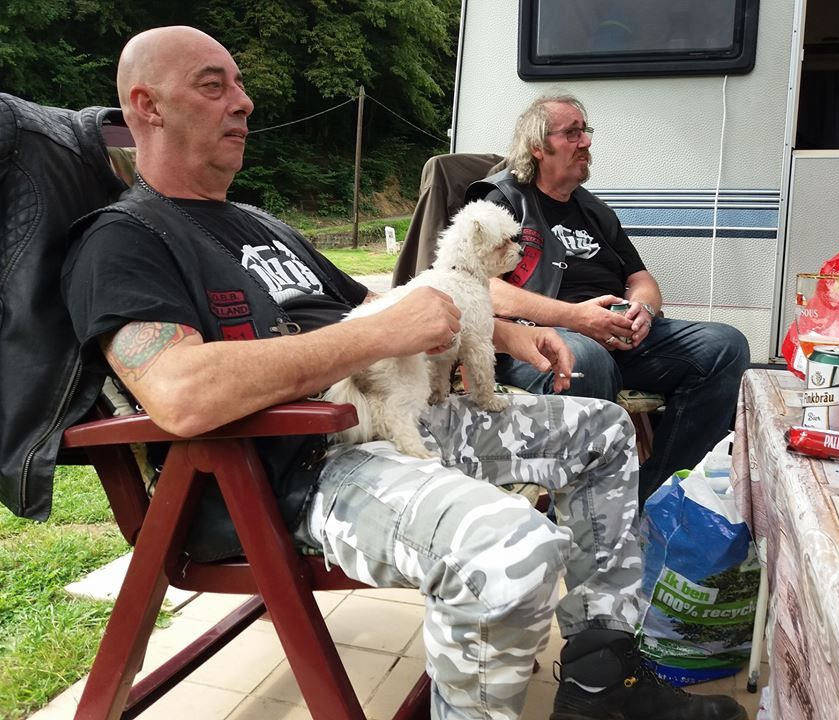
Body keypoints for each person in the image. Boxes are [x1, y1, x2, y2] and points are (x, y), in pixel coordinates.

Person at [61, 27, 747, 720]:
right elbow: (178, 391)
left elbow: (374, 303)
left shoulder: (258, 223)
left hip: (398, 419)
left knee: (603, 431)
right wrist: (379, 336)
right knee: (512, 551)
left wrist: (505, 329)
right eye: (214, 86)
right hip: (296, 467)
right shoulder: (124, 238)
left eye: (239, 85)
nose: (243, 102)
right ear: (146, 106)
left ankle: (601, 683)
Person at [466, 94, 750, 503]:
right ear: (538, 146)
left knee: (725, 345)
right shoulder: (505, 201)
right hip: (541, 340)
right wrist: (576, 318)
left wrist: (643, 310)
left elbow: (640, 277)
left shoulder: (594, 210)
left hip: (615, 332)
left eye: (586, 131)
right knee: (588, 359)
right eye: (572, 133)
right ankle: (589, 509)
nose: (586, 142)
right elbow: (482, 287)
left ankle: (652, 497)